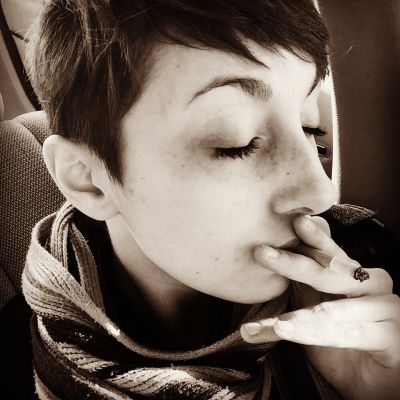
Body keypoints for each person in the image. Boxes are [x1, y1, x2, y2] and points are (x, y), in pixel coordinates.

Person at [17, 0, 400, 399]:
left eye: (310, 128)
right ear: (87, 179)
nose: (321, 193)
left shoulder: (371, 287)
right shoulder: (13, 364)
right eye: (236, 142)